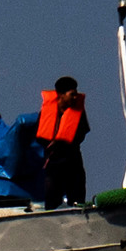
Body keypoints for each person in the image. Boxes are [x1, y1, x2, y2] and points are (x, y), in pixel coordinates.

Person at [38, 76, 90, 209]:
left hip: (73, 161)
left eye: (76, 94)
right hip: (53, 164)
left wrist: (64, 141)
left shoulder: (79, 113)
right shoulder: (46, 113)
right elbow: (39, 136)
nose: (75, 97)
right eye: (72, 94)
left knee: (78, 198)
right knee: (52, 200)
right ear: (61, 95)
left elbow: (83, 132)